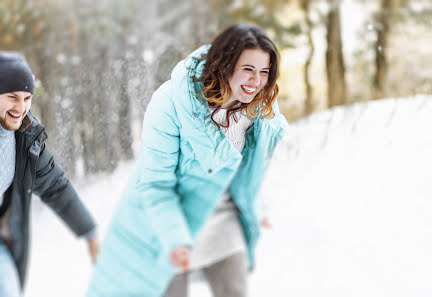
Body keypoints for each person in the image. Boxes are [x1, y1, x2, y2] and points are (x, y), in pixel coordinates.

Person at [86, 24, 288, 297]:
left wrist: (257, 206)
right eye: (248, 69)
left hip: (225, 225)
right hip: (170, 224)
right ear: (225, 65)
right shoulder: (171, 103)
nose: (256, 81)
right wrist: (176, 238)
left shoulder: (260, 113)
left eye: (264, 72)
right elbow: (156, 184)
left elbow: (249, 169)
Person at [0, 51, 99, 297]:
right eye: (12, 97)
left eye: (27, 98)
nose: (20, 108)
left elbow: (55, 186)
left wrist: (89, 231)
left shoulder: (26, 137)